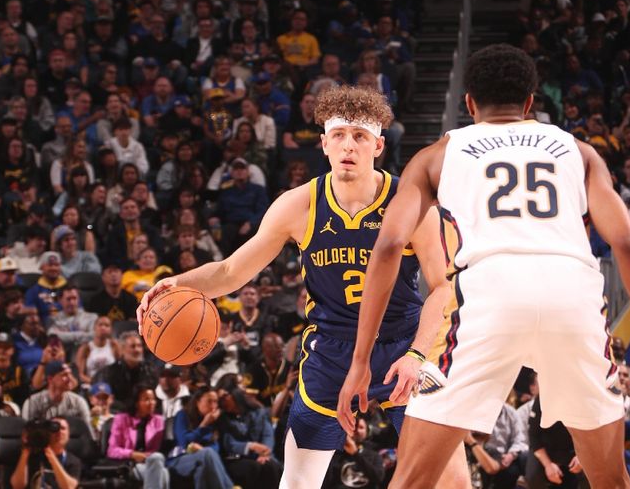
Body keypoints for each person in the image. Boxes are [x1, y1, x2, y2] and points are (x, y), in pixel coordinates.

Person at [337, 44, 630, 489]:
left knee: (413, 480)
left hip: (489, 295)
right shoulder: (579, 151)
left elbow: (388, 248)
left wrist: (361, 361)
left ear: (469, 102)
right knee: (610, 479)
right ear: (531, 103)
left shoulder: (438, 154)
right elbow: (628, 246)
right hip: (572, 293)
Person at [138, 84, 469, 488]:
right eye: (339, 136)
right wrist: (176, 282)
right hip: (331, 350)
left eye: (360, 137)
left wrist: (419, 354)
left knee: (453, 481)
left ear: (378, 146)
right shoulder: (298, 204)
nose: (349, 145)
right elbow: (230, 272)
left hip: (403, 345)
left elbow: (441, 287)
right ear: (324, 144)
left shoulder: (410, 201)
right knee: (296, 483)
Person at [168, 388, 236, 489]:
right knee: (207, 453)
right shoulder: (182, 415)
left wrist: (202, 450)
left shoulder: (215, 421)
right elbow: (184, 442)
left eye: (215, 402)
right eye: (209, 401)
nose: (213, 406)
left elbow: (216, 447)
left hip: (204, 459)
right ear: (197, 402)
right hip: (180, 459)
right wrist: (203, 425)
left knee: (203, 469)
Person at [107, 384, 170, 489]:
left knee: (158, 462)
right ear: (136, 403)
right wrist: (133, 454)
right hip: (130, 463)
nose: (151, 403)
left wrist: (146, 456)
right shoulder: (121, 419)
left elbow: (155, 449)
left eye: (153, 399)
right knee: (163, 472)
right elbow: (112, 450)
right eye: (146, 399)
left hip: (151, 461)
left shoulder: (159, 421)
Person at [218, 387, 282, 489]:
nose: (222, 402)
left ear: (235, 395)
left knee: (271, 465)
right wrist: (250, 446)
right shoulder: (224, 418)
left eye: (225, 398)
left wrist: (264, 451)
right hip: (238, 458)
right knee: (254, 467)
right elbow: (229, 443)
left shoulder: (258, 412)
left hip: (263, 455)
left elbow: (267, 434)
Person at [10, 417, 81, 489]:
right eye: (54, 429)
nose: (59, 432)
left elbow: (69, 487)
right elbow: (17, 486)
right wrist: (25, 452)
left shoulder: (73, 461)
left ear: (69, 434)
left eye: (63, 428)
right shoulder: (31, 456)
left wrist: (52, 457)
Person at [21, 360, 92, 430]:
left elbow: (88, 432)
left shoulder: (78, 401)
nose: (70, 379)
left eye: (70, 374)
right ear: (50, 379)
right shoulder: (33, 402)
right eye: (64, 375)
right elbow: (26, 433)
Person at [74, 316, 119, 386]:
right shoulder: (85, 348)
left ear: (111, 329)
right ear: (94, 327)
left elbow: (120, 368)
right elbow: (80, 375)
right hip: (91, 384)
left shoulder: (114, 346)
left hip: (111, 384)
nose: (103, 327)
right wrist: (95, 383)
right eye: (100, 325)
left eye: (107, 325)